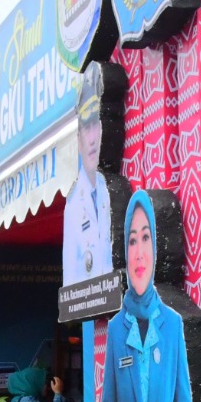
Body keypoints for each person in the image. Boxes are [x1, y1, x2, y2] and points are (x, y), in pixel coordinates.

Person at [99, 190, 196, 402]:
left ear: (154, 248)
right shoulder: (116, 328)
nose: (139, 252)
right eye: (132, 241)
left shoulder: (172, 325)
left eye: (146, 238)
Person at [63, 79, 115, 286]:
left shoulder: (112, 189)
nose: (92, 138)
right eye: (86, 128)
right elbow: (73, 288)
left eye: (96, 125)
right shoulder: (73, 206)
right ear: (78, 139)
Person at [0, 367, 66, 402]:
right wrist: (58, 393)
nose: (47, 387)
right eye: (44, 383)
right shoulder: (28, 401)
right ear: (33, 384)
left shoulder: (17, 400)